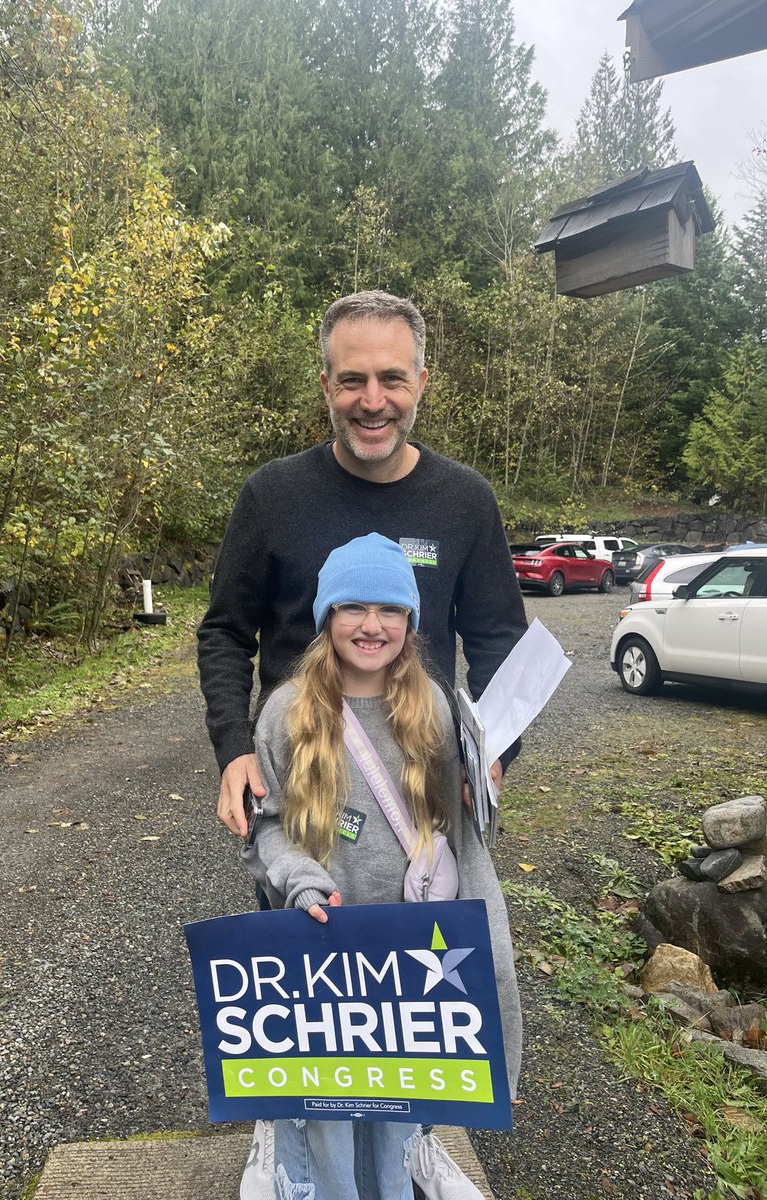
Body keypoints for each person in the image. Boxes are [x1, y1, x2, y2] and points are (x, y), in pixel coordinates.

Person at [242, 534, 521, 1200]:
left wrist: (479, 788)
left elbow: (458, 832)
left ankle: (409, 1166)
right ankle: (296, 1169)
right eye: (353, 607)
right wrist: (300, 880)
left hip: (410, 953)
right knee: (329, 1109)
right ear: (326, 616)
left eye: (390, 609)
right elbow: (266, 827)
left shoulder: (435, 707)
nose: (372, 625)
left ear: (411, 621)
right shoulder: (285, 713)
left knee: (400, 1100)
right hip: (322, 948)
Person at [197, 290, 528, 840]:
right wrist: (234, 748)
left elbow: (499, 640)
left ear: (421, 383)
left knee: (437, 900)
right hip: (301, 785)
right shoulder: (271, 496)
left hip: (424, 787)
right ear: (326, 386)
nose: (373, 401)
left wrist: (493, 751)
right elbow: (225, 633)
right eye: (352, 380)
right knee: (299, 895)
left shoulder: (466, 501)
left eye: (392, 378)